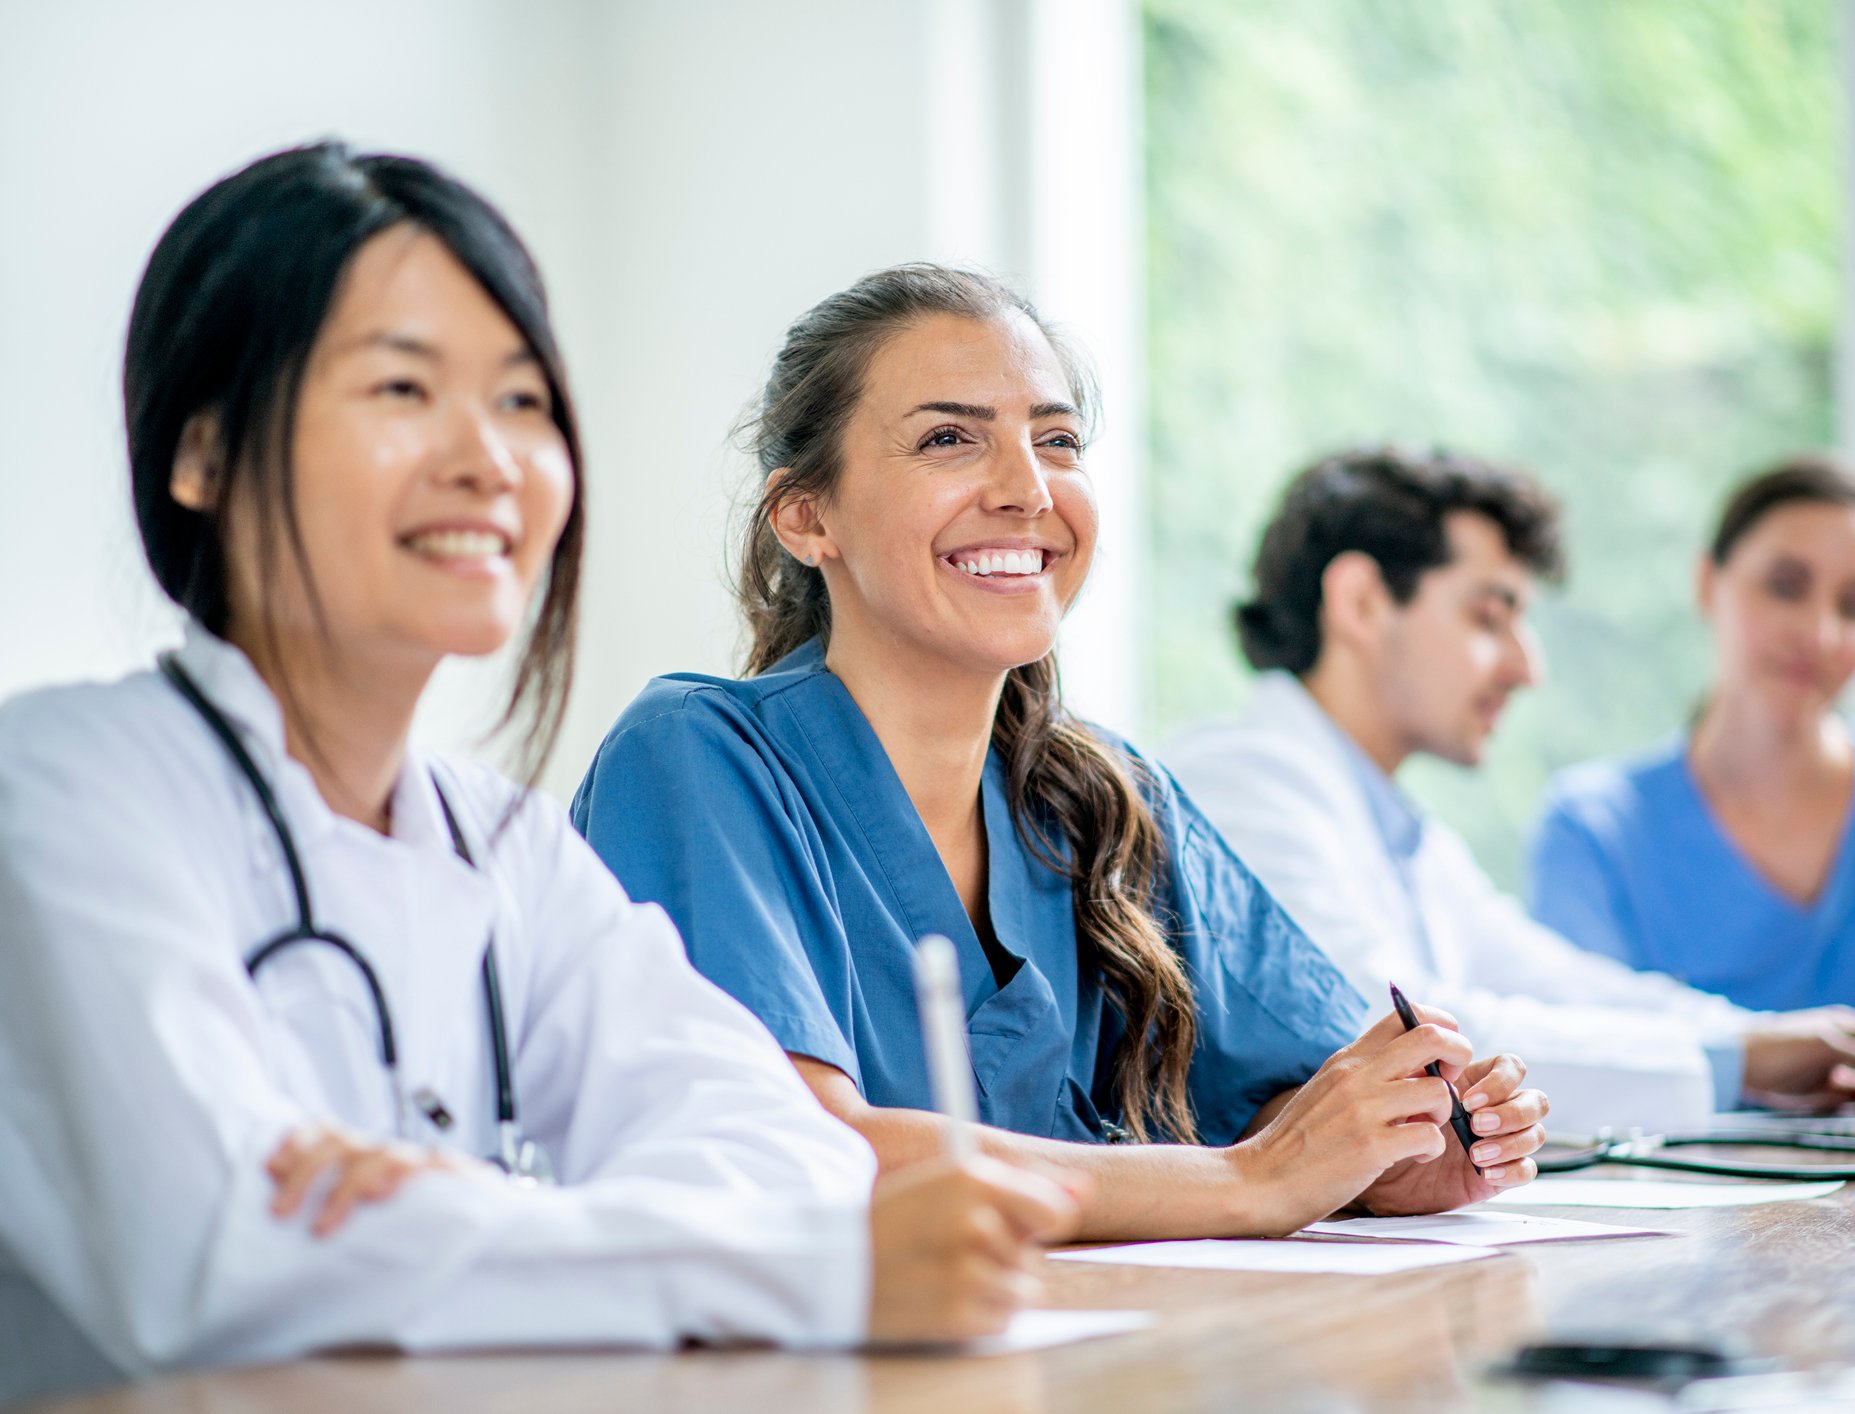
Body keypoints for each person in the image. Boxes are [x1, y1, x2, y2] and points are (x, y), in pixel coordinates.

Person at [0, 146, 1073, 1407]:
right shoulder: (63, 791)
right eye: (402, 387)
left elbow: (791, 1157)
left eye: (522, 402)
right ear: (203, 453)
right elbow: (221, 1257)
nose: (491, 458)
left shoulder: (499, 846)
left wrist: (463, 1225)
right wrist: (766, 1266)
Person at [572, 266, 1551, 1239]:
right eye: (949, 438)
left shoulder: (1108, 799)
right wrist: (1253, 1182)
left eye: (1056, 440)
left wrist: (1395, 1153)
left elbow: (1288, 1101)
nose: (1027, 489)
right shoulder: (694, 761)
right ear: (805, 515)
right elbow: (795, 1153)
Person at [1160, 448, 1855, 1136]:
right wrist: (1739, 1061)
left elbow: (1549, 979)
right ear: (1360, 602)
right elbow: (1395, 1042)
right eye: (1488, 616)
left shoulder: (1397, 827)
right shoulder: (1242, 783)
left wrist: (1749, 1037)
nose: (1527, 665)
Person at [1528, 456, 1855, 1014]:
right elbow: (1583, 1051)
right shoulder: (1596, 829)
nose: (1819, 633)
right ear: (1706, 583)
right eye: (1786, 587)